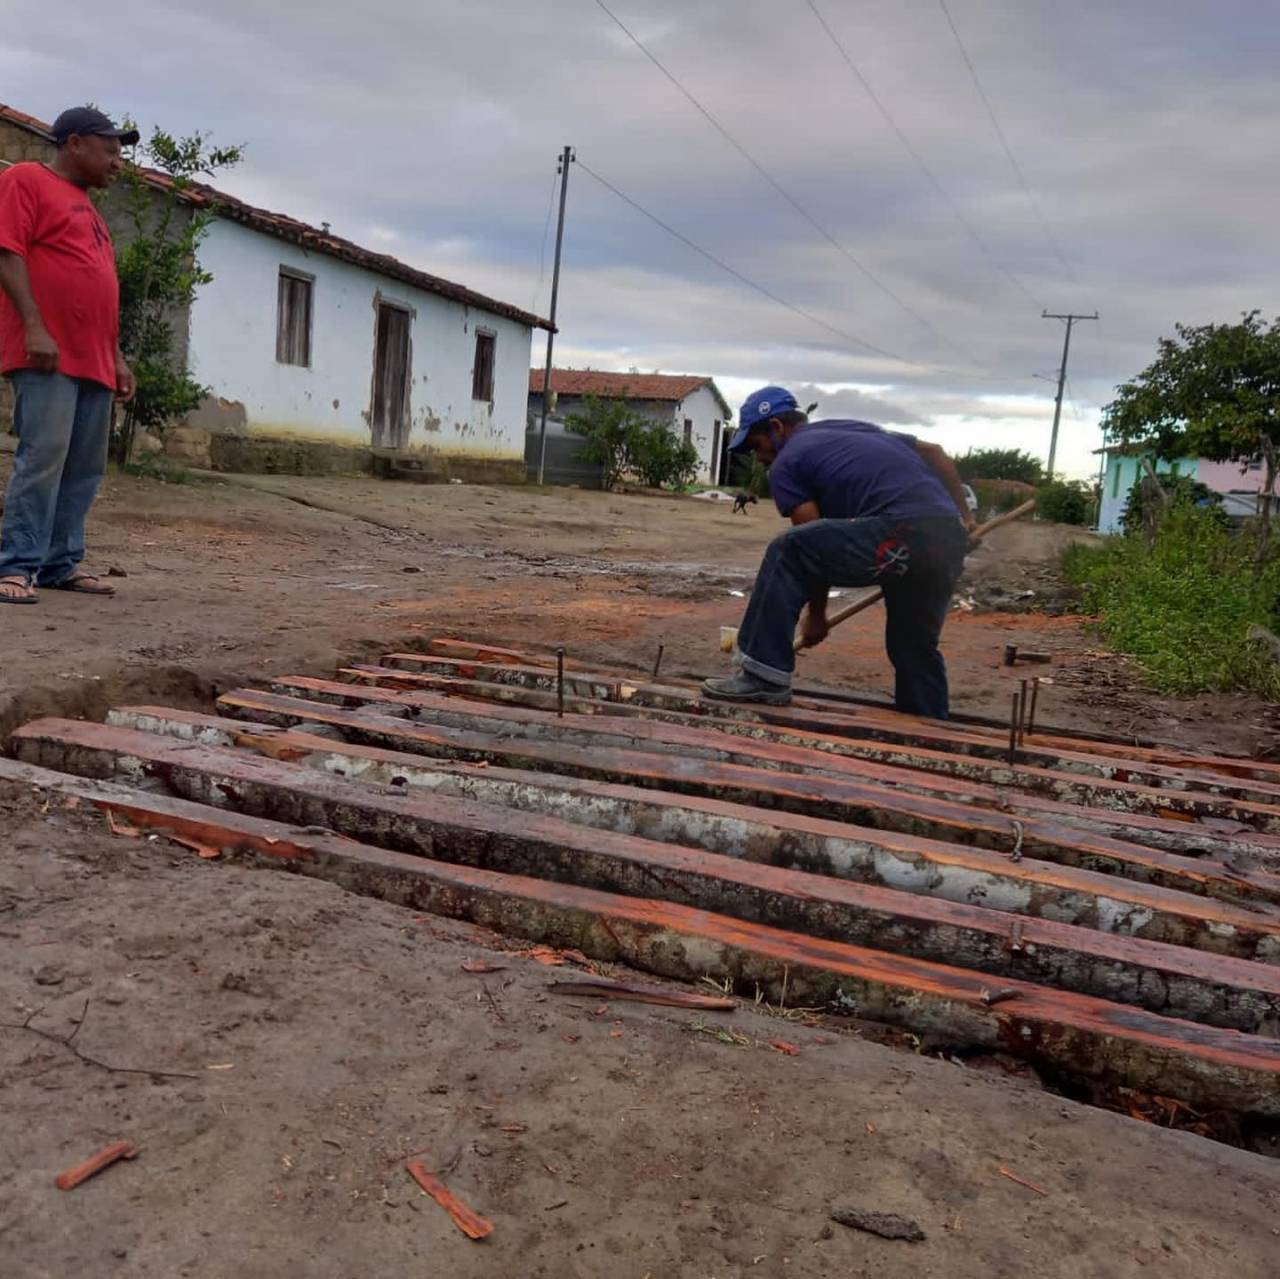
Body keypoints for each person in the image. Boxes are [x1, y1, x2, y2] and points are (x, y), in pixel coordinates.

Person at [701, 385, 975, 717]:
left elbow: (807, 543)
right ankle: (929, 723)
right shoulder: (850, 428)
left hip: (901, 530)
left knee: (787, 550)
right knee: (914, 643)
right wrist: (965, 519)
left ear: (776, 428)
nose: (757, 457)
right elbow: (935, 452)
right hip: (943, 535)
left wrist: (817, 615)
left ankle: (763, 676)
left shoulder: (787, 462)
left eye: (756, 446)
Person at [0, 106, 138, 605]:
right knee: (43, 459)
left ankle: (60, 563)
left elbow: (98, 290)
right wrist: (34, 327)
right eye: (111, 150)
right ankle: (16, 566)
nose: (117, 162)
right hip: (48, 355)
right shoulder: (26, 180)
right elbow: (7, 251)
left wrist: (117, 356)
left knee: (83, 468)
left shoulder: (90, 210)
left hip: (94, 360)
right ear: (75, 143)